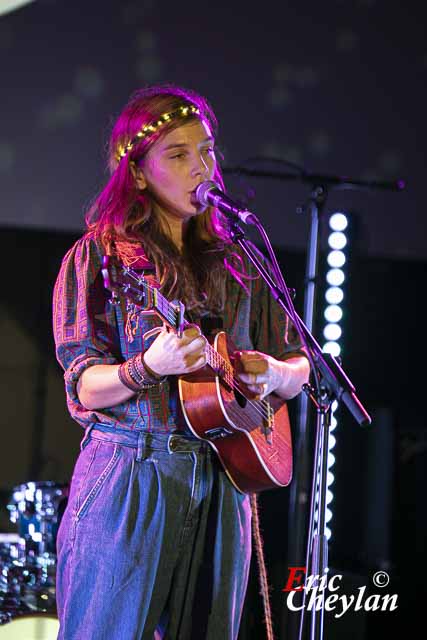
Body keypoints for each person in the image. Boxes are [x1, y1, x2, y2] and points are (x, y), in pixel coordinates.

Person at [52, 83, 310, 640]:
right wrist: (148, 366)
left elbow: (299, 362)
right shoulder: (99, 258)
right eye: (179, 154)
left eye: (208, 151)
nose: (203, 168)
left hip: (224, 478)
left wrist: (278, 374)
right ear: (139, 174)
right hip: (132, 477)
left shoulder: (240, 259)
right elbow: (84, 386)